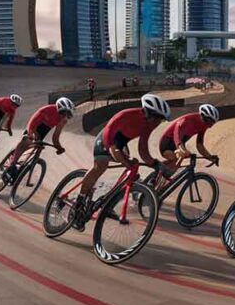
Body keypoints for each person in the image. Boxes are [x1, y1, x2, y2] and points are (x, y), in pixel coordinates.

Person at [72, 94, 171, 231]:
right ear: (147, 113)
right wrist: (117, 154)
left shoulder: (149, 125)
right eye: (158, 118)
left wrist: (155, 164)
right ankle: (79, 201)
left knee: (131, 172)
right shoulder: (125, 115)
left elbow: (143, 149)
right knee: (101, 165)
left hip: (121, 143)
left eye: (161, 120)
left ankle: (108, 203)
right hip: (107, 138)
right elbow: (109, 137)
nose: (158, 123)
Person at [2, 97, 73, 183]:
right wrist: (30, 133)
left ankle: (23, 169)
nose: (64, 116)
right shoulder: (46, 109)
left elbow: (55, 136)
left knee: (38, 149)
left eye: (67, 114)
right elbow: (32, 122)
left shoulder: (63, 120)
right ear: (58, 108)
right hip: (34, 126)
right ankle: (12, 164)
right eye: (63, 112)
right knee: (26, 142)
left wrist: (59, 147)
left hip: (42, 132)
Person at [159, 104, 220, 172]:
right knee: (175, 159)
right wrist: (181, 148)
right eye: (209, 122)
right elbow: (177, 135)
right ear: (202, 116)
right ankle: (156, 173)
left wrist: (210, 157)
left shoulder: (203, 126)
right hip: (167, 142)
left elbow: (200, 145)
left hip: (179, 143)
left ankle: (167, 180)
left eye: (212, 124)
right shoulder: (187, 120)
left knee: (175, 167)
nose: (209, 126)